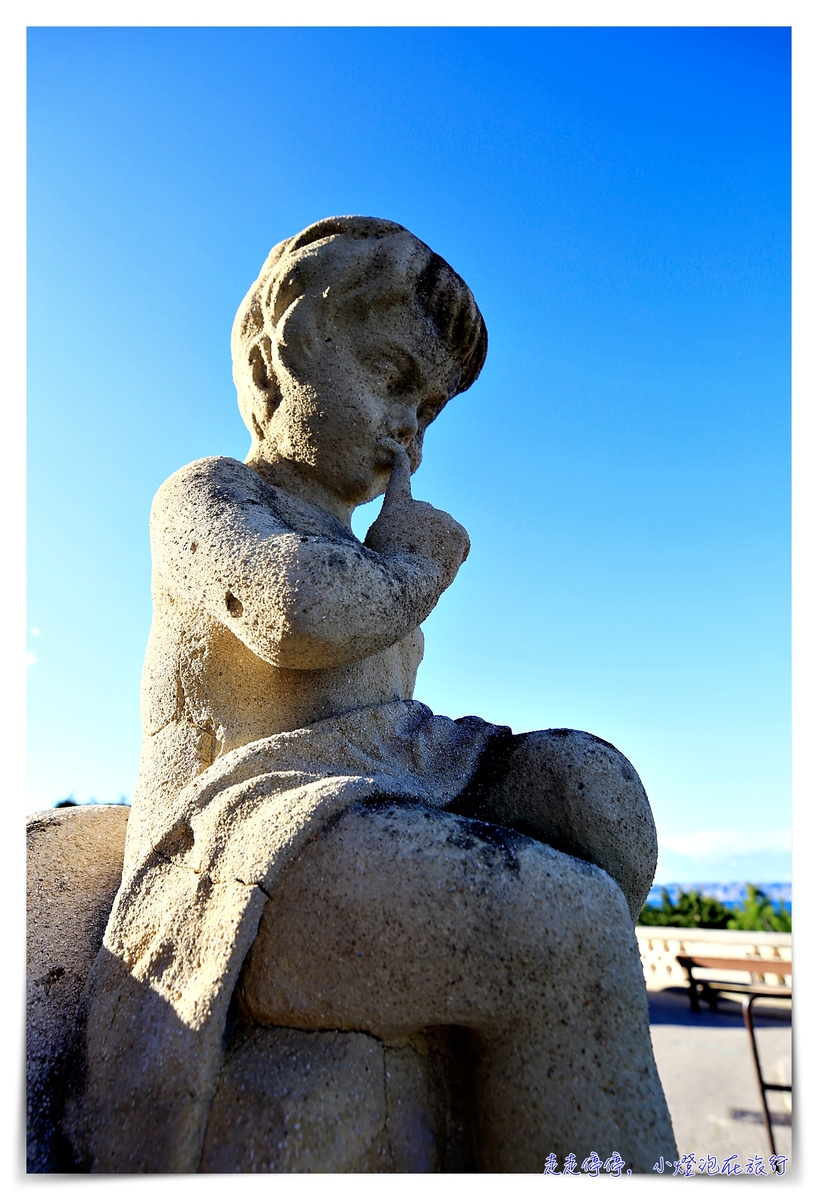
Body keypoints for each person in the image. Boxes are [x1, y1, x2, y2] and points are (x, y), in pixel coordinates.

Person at [68, 216, 676, 1173]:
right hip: (253, 828)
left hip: (393, 771)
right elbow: (293, 613)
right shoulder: (210, 493)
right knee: (568, 929)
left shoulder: (363, 549)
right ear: (290, 346)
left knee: (594, 795)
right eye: (395, 378)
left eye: (430, 410)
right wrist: (409, 569)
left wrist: (393, 573)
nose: (411, 431)